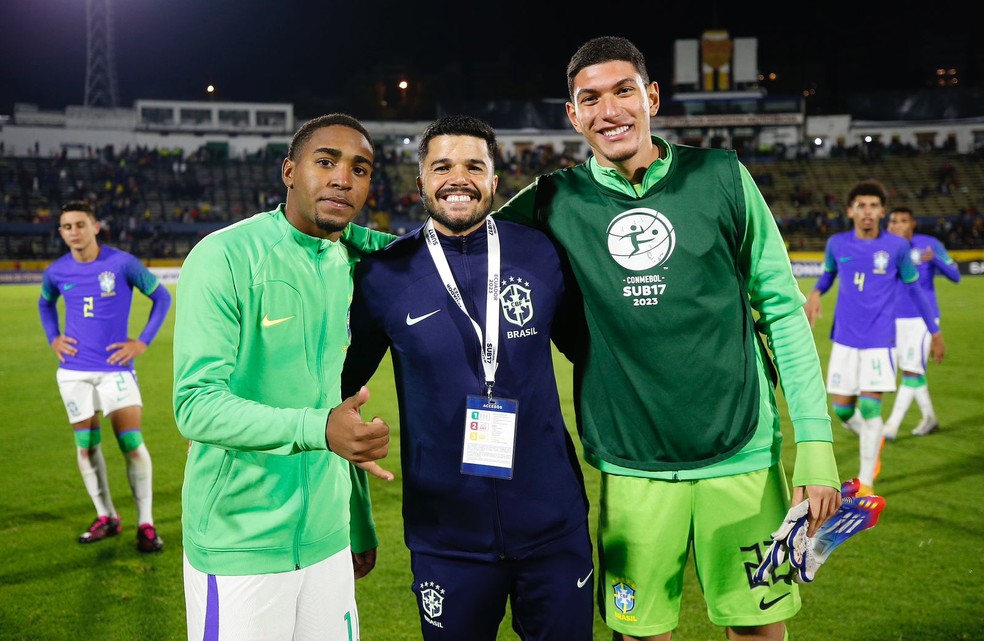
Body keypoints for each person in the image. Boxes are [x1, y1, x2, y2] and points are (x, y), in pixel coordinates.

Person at [494, 36, 841, 641]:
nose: (610, 111)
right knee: (641, 632)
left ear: (651, 97)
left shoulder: (723, 177)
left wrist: (815, 444)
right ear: (573, 115)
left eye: (624, 91)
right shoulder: (552, 199)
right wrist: (359, 242)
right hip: (632, 461)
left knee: (758, 628)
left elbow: (783, 311)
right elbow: (457, 244)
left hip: (743, 452)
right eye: (590, 99)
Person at [341, 114, 594, 641]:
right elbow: (335, 387)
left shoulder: (542, 253)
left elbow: (598, 352)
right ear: (420, 182)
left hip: (553, 528)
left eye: (474, 167)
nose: (459, 178)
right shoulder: (385, 275)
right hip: (445, 537)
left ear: (495, 181)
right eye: (442, 167)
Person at [172, 113, 395, 641]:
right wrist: (319, 429)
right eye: (326, 162)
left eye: (360, 169)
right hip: (240, 542)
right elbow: (195, 405)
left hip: (328, 538)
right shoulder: (224, 256)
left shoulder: (350, 260)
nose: (343, 179)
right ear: (289, 171)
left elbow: (334, 400)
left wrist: (355, 520)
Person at [39, 199, 172, 553]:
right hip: (73, 372)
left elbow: (162, 298)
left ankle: (146, 524)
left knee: (131, 443)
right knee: (86, 448)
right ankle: (107, 516)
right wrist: (53, 337)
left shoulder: (123, 263)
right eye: (67, 227)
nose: (74, 232)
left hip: (115, 369)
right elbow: (44, 303)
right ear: (61, 232)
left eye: (80, 224)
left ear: (95, 227)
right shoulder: (56, 272)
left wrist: (141, 342)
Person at [805, 180, 945, 496]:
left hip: (880, 341)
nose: (867, 211)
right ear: (850, 211)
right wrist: (815, 292)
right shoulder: (837, 244)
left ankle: (866, 482)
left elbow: (915, 290)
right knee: (842, 411)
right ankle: (875, 436)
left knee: (870, 409)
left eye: (873, 206)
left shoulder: (896, 247)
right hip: (844, 339)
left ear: (882, 211)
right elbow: (828, 275)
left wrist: (935, 333)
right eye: (861, 206)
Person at [882, 206, 960, 438]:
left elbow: (955, 275)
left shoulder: (929, 244)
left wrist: (934, 259)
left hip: (923, 318)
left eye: (903, 220)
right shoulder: (886, 248)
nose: (897, 225)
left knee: (912, 371)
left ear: (913, 224)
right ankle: (930, 419)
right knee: (911, 370)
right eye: (894, 221)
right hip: (896, 318)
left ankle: (891, 427)